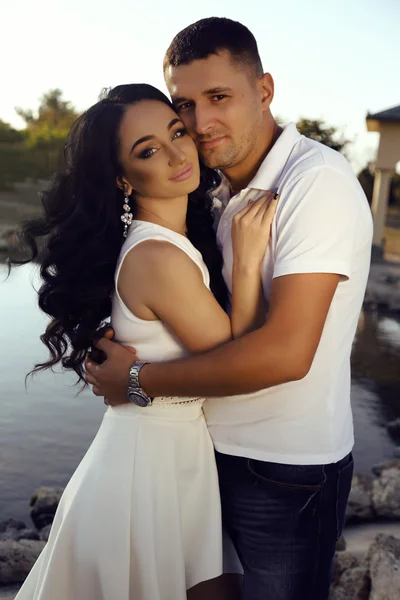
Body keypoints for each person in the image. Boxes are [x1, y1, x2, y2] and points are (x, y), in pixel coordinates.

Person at [85, 17, 374, 600]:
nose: (199, 123)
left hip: (283, 470)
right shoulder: (211, 190)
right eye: (184, 104)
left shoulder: (315, 183)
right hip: (205, 457)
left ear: (264, 91)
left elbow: (287, 355)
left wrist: (137, 379)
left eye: (219, 97)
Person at [10, 83, 278, 600]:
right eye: (148, 150)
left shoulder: (169, 245)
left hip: (169, 453)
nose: (179, 152)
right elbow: (237, 361)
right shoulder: (158, 258)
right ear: (122, 179)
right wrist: (247, 263)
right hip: (147, 468)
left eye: (177, 131)